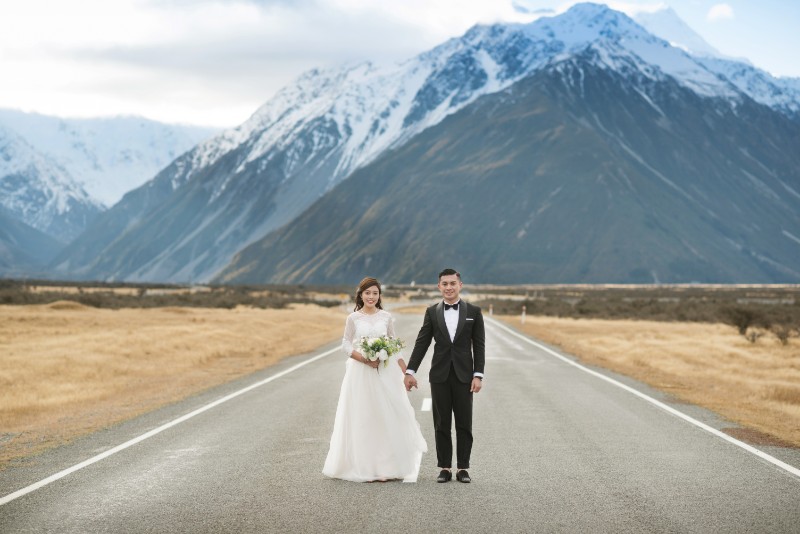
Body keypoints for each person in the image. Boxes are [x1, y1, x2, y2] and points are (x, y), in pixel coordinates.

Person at [323, 277, 427, 482]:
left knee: (384, 416)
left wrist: (408, 372)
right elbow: (345, 344)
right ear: (360, 295)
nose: (371, 297)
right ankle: (364, 467)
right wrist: (363, 358)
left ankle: (384, 468)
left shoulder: (386, 317)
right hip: (360, 373)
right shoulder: (353, 318)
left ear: (379, 296)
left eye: (375, 293)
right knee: (363, 417)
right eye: (367, 293)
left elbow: (395, 347)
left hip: (384, 373)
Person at [404, 268, 485, 483]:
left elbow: (479, 346)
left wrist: (478, 375)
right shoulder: (432, 312)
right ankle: (445, 467)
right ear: (439, 286)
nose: (449, 287)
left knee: (464, 423)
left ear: (460, 285)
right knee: (441, 423)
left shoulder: (474, 312)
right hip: (439, 375)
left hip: (464, 376)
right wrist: (410, 371)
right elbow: (422, 342)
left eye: (452, 283)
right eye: (445, 284)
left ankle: (463, 468)